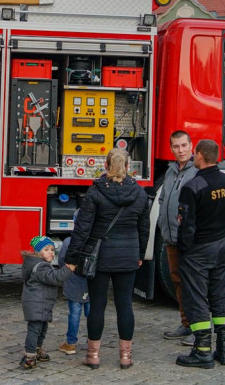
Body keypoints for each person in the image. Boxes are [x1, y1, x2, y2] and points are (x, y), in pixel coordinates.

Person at [63, 148, 149, 370]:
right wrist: (139, 255)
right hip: (128, 256)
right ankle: (125, 357)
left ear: (106, 166)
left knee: (98, 305)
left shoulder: (96, 192)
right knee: (125, 305)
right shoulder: (139, 194)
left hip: (100, 257)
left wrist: (72, 258)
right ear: (128, 167)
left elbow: (82, 229)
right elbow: (144, 229)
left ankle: (93, 356)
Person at [175, 139, 225, 369]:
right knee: (220, 296)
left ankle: (202, 352)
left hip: (198, 250)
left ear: (200, 155)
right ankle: (224, 349)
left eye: (194, 153)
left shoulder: (193, 186)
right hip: (221, 246)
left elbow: (186, 225)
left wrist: (183, 249)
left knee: (197, 299)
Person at [158, 130, 198, 341]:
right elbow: (163, 199)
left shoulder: (197, 172)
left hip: (189, 240)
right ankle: (186, 323)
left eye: (184, 145)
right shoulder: (170, 171)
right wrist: (162, 224)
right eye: (176, 146)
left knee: (193, 283)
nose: (180, 150)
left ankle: (197, 328)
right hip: (171, 237)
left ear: (191, 146)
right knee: (178, 281)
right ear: (171, 148)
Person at [20, 236, 72, 370]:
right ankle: (29, 356)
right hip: (37, 305)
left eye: (52, 250)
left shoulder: (37, 264)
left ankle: (37, 350)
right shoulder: (41, 266)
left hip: (41, 304)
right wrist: (69, 269)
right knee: (34, 330)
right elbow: (56, 278)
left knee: (42, 329)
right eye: (46, 249)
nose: (51, 252)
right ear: (37, 252)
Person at [55, 232, 89, 355]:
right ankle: (93, 343)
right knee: (92, 314)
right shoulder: (95, 240)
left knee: (74, 314)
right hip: (91, 282)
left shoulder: (68, 241)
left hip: (74, 282)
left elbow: (62, 261)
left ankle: (70, 344)